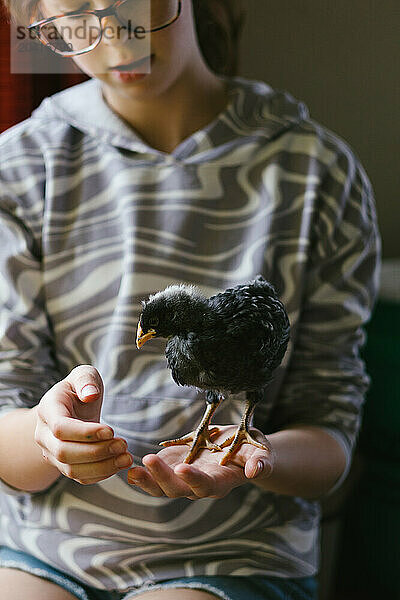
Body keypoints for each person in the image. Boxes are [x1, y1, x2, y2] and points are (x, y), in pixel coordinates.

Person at [0, 1, 381, 599]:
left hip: (234, 556)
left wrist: (257, 457)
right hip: (42, 550)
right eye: (76, 22)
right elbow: (6, 406)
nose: (117, 48)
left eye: (135, 13)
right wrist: (48, 437)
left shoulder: (314, 172)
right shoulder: (20, 168)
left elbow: (329, 423)